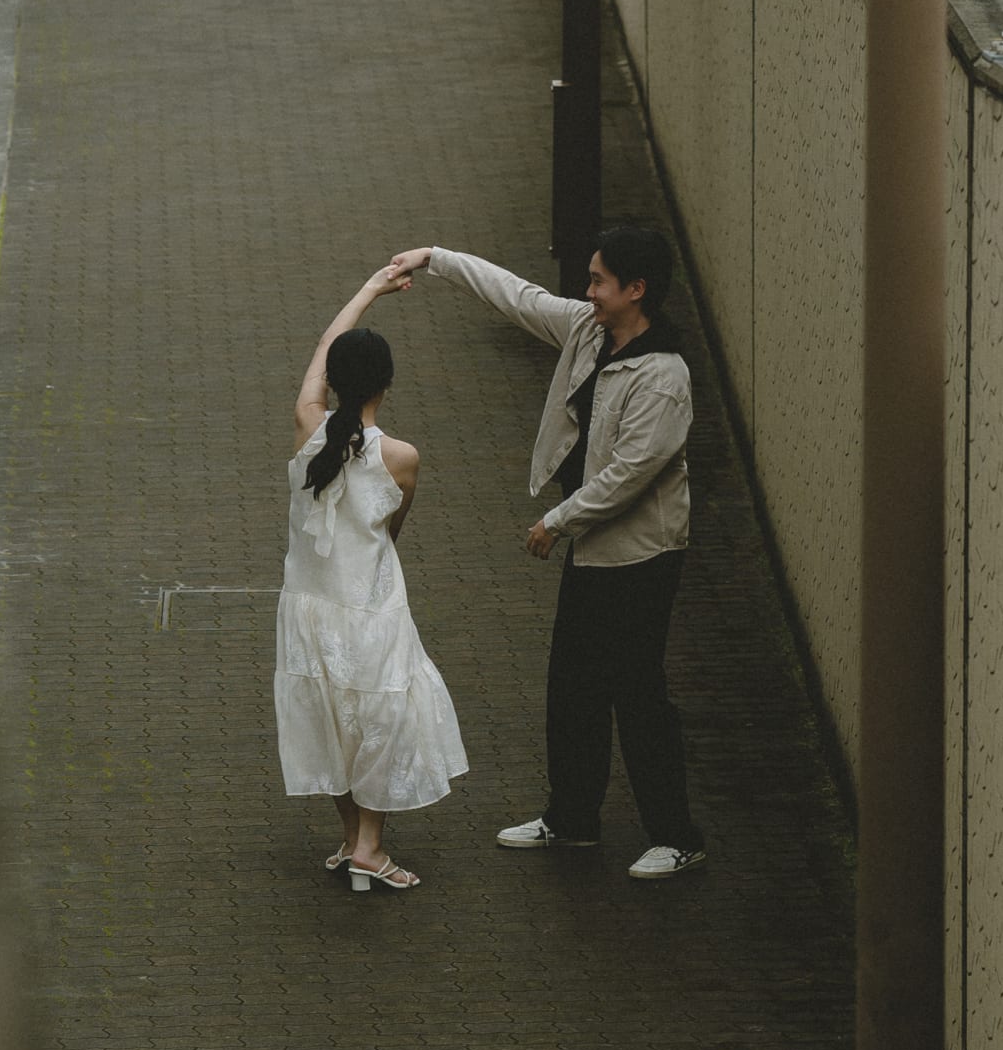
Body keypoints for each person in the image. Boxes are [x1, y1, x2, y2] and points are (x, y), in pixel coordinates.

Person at [387, 225, 705, 880]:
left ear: (636, 290)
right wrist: (436, 258)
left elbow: (630, 474)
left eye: (598, 281)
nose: (587, 291)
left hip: (641, 558)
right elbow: (518, 296)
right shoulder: (591, 332)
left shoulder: (664, 378)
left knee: (638, 692)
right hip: (594, 553)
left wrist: (556, 520)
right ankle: (572, 819)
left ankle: (677, 835)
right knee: (572, 687)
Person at [276, 265, 467, 892]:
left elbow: (318, 361)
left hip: (308, 605)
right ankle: (369, 847)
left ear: (332, 383)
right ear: (385, 384)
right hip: (372, 605)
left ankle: (352, 838)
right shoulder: (401, 458)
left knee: (326, 716)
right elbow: (393, 528)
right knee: (381, 714)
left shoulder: (309, 428)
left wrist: (367, 289)